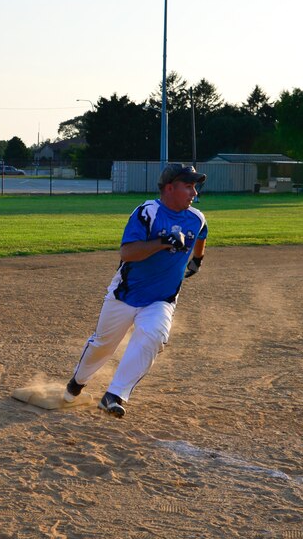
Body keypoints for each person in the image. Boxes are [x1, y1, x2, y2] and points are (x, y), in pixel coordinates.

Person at [63, 163, 208, 417]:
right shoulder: (147, 213)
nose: (194, 193)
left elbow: (202, 234)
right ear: (170, 188)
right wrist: (162, 242)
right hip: (125, 295)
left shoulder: (195, 218)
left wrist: (198, 260)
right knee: (104, 345)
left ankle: (114, 395)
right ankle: (77, 383)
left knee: (153, 335)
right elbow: (127, 253)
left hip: (162, 300)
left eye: (194, 187)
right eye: (189, 186)